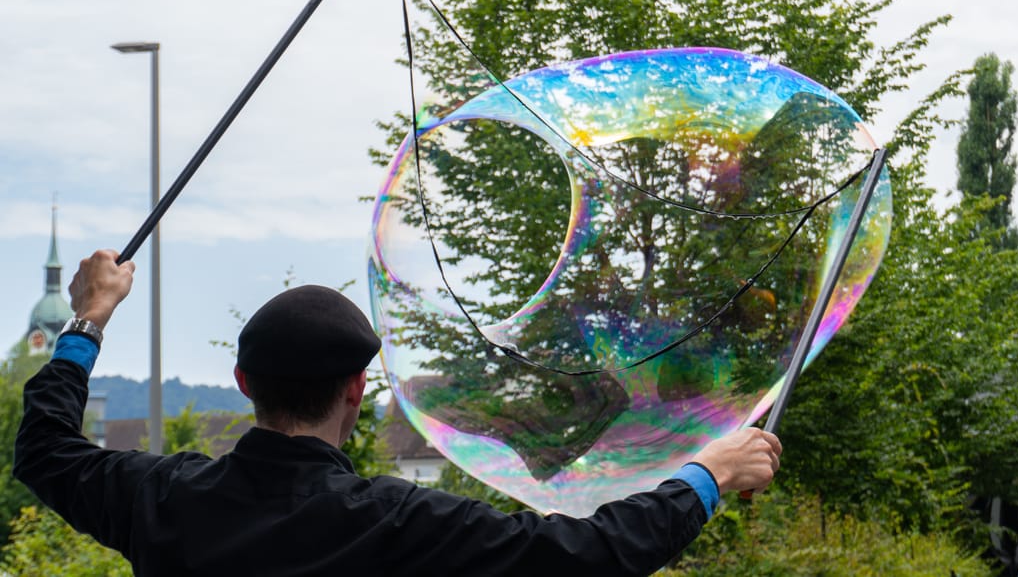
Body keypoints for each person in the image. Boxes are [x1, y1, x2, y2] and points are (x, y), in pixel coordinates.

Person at [14, 249, 782, 576]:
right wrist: (707, 472)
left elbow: (44, 448)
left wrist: (89, 319)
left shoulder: (167, 499)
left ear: (243, 381)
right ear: (357, 388)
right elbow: (587, 556)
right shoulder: (392, 521)